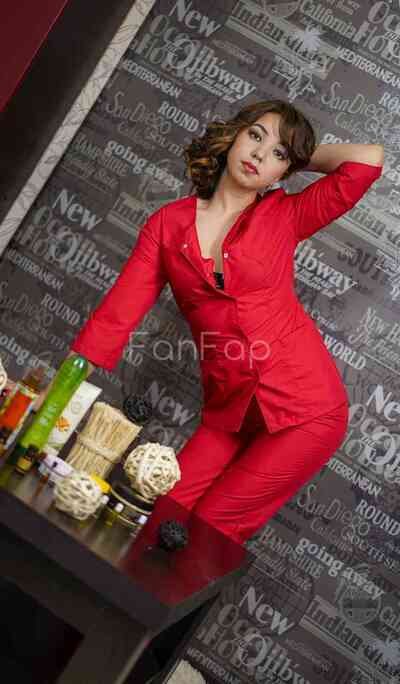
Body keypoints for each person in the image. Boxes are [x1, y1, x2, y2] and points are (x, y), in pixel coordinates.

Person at [65, 98, 384, 546]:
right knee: (161, 509)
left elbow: (368, 160)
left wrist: (293, 156)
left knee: (210, 527)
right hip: (230, 408)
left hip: (305, 408)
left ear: (285, 170)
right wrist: (64, 390)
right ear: (234, 136)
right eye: (255, 136)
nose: (259, 154)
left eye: (276, 152)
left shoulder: (286, 215)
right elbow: (120, 310)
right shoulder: (167, 224)